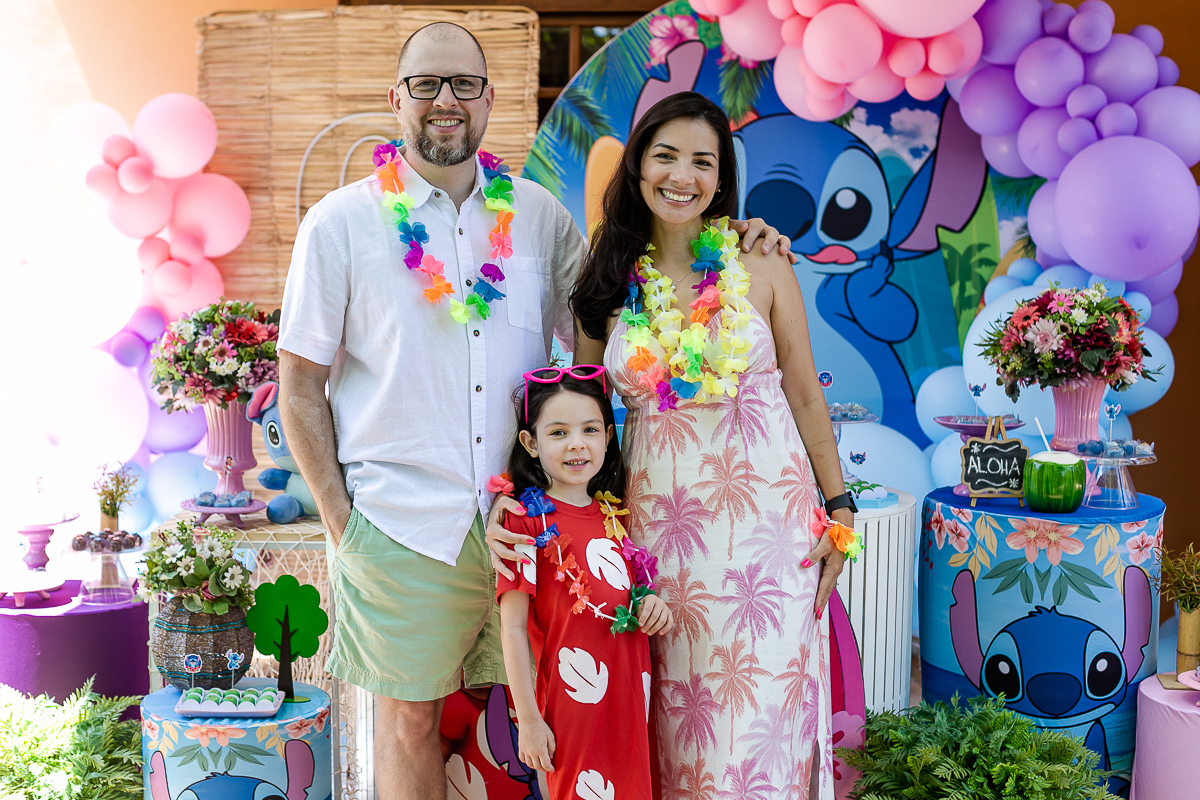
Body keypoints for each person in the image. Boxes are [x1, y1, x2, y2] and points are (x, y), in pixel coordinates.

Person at [278, 23, 794, 800]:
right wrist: (342, 524)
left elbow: (618, 316)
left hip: (533, 525)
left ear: (489, 102)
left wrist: (736, 237)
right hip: (400, 523)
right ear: (397, 100)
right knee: (412, 725)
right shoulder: (340, 224)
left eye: (462, 85)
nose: (445, 101)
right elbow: (299, 385)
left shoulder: (540, 216)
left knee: (540, 719)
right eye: (426, 84)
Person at [489, 92, 859, 799]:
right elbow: (581, 409)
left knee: (762, 721)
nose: (681, 176)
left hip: (768, 533)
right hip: (660, 532)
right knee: (672, 718)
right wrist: (537, 507)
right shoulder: (607, 282)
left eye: (702, 161)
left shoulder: (765, 264)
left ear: (722, 179)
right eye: (665, 156)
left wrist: (839, 505)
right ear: (637, 168)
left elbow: (805, 393)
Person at [496, 366, 673, 800]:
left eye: (590, 429)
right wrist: (530, 720)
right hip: (572, 708)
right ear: (531, 443)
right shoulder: (523, 520)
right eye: (558, 433)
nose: (577, 443)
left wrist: (653, 606)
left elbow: (626, 598)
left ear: (608, 438)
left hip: (631, 700)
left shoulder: (616, 517)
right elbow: (513, 627)